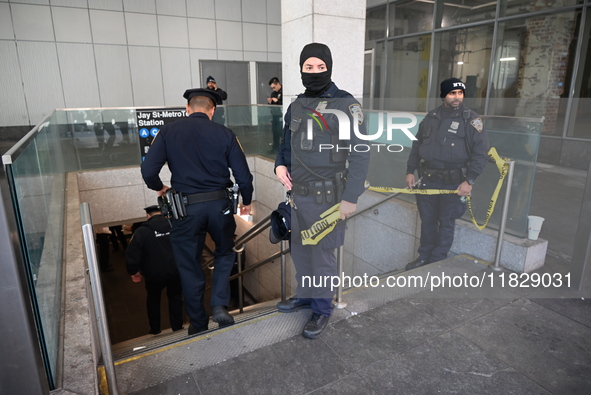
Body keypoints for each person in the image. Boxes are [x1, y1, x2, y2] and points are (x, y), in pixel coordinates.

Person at [274, 43, 370, 339]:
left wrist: (351, 197)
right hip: (299, 196)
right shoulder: (296, 105)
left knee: (322, 256)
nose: (314, 72)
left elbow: (361, 153)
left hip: (329, 198)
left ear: (329, 68)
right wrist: (279, 165)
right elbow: (285, 145)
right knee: (301, 253)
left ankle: (321, 309)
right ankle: (307, 295)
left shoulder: (346, 105)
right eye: (308, 67)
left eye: (320, 67)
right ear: (301, 69)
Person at [141, 88, 254, 336]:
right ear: (212, 111)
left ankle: (198, 323)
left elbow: (149, 170)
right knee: (225, 253)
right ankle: (219, 306)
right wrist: (246, 201)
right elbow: (244, 176)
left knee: (189, 264)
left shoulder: (169, 131)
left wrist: (160, 188)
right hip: (220, 206)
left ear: (188, 109)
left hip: (186, 209)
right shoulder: (225, 134)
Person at [405, 77, 489, 270]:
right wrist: (410, 171)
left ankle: (437, 261)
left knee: (446, 222)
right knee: (427, 221)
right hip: (428, 179)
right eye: (452, 93)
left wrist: (470, 181)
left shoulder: (471, 120)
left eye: (460, 93)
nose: (456, 97)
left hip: (454, 183)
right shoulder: (431, 117)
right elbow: (417, 146)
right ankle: (424, 257)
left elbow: (480, 154)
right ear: (444, 95)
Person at [125, 205, 184, 335]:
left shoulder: (141, 231)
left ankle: (155, 329)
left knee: (153, 299)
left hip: (153, 274)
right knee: (175, 297)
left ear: (148, 215)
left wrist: (133, 271)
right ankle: (177, 326)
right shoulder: (175, 225)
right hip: (176, 270)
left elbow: (132, 254)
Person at [267, 77, 283, 153]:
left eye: (274, 87)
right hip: (275, 115)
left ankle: (283, 148)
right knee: (275, 132)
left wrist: (277, 101)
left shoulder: (284, 92)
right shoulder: (274, 93)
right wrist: (270, 102)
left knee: (281, 132)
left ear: (278, 84)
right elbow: (272, 105)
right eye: (272, 88)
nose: (273, 89)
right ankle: (275, 147)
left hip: (281, 115)